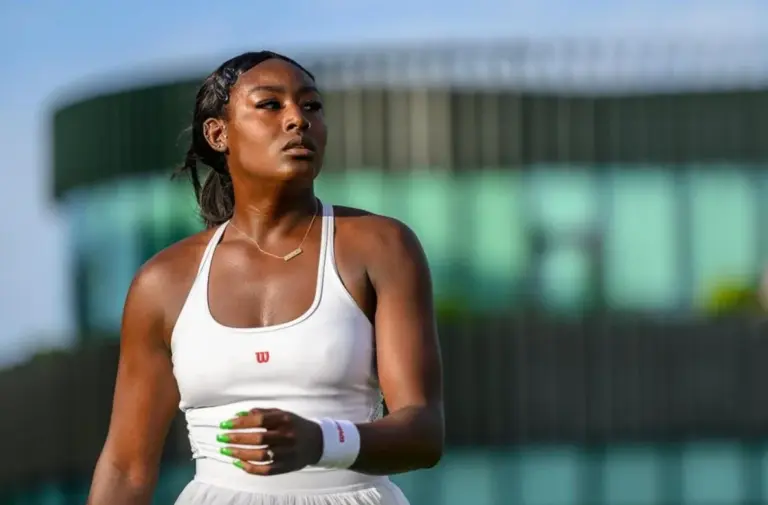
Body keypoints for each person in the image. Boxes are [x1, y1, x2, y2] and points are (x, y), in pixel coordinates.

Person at [84, 51, 444, 505]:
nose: (298, 119)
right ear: (218, 134)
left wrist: (320, 442)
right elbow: (126, 466)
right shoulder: (162, 282)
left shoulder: (382, 246)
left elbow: (424, 432)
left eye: (311, 105)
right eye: (271, 105)